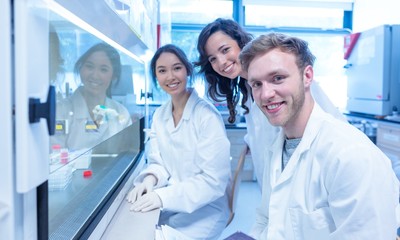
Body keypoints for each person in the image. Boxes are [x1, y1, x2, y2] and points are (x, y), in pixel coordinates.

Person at [239, 32, 400, 239]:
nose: (265, 94)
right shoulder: (277, 148)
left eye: (277, 78)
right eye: (257, 84)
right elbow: (266, 219)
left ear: (307, 76)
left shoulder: (351, 155)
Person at [195, 18, 345, 188]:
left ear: (241, 43)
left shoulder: (288, 77)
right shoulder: (248, 87)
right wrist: (251, 140)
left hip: (306, 179)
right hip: (274, 185)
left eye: (225, 50)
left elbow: (330, 123)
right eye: (213, 59)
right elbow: (265, 131)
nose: (221, 62)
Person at [126, 44, 231, 240]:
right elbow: (160, 163)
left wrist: (162, 197)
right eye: (162, 70)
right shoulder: (159, 115)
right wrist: (151, 179)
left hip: (205, 211)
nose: (170, 77)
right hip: (172, 205)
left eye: (177, 68)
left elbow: (213, 182)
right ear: (156, 77)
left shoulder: (206, 116)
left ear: (187, 70)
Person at [51, 42, 131, 151]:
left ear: (114, 76)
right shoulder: (60, 111)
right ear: (80, 68)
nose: (94, 75)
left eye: (103, 69)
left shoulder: (121, 113)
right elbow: (54, 157)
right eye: (89, 66)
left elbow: (126, 156)